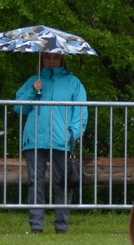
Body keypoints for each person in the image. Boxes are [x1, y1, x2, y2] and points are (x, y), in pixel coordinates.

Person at [14, 51, 87, 234]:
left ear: (62, 59)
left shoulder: (74, 83)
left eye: (55, 57)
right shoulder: (34, 81)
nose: (51, 61)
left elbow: (81, 113)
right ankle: (36, 225)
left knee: (62, 182)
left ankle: (61, 225)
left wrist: (72, 134)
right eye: (47, 57)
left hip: (61, 139)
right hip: (35, 138)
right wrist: (33, 89)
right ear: (42, 59)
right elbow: (18, 108)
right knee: (35, 182)